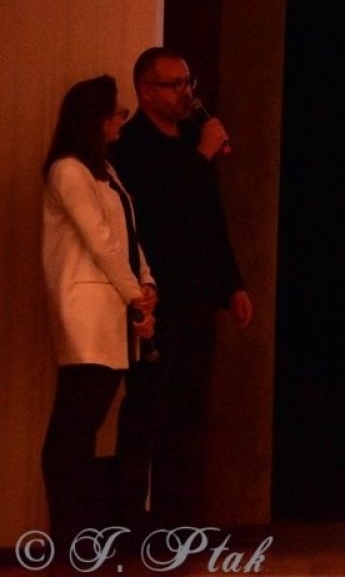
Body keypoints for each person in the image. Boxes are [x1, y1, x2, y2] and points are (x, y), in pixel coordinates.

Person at [110, 48, 250, 525]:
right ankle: (127, 526)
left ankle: (177, 524)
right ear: (146, 91)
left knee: (189, 415)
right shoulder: (130, 146)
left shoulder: (193, 138)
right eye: (175, 84)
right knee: (147, 411)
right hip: (156, 302)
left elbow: (211, 220)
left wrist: (233, 285)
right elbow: (159, 213)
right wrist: (203, 156)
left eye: (189, 81)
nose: (187, 91)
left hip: (197, 299)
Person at [40, 75, 156, 538]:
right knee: (76, 421)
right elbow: (100, 242)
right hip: (86, 305)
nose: (121, 119)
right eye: (117, 111)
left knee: (87, 421)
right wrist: (134, 295)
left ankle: (81, 530)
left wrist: (147, 284)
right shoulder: (68, 169)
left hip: (111, 304)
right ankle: (69, 533)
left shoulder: (106, 170)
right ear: (96, 118)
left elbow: (128, 236)